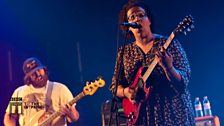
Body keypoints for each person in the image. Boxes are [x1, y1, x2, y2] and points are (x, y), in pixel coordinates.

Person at [109, 0, 195, 125]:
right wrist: (127, 92)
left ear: (149, 20)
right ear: (128, 26)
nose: (137, 19)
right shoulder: (124, 52)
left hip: (172, 113)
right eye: (132, 17)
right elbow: (115, 86)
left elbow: (184, 81)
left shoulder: (169, 44)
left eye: (140, 15)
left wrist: (169, 68)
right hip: (142, 116)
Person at [4, 57, 79, 126]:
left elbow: (74, 117)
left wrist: (70, 113)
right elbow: (10, 116)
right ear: (28, 77)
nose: (38, 75)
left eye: (39, 70)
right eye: (33, 73)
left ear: (44, 70)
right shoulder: (18, 92)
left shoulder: (61, 89)